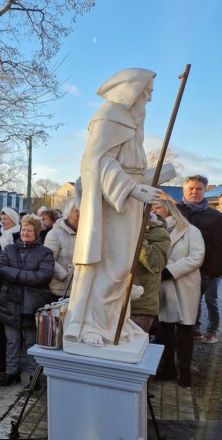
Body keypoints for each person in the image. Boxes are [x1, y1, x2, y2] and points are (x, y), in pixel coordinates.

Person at [63, 68, 163, 350]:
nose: (149, 98)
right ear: (133, 89)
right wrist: (132, 188)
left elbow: (133, 166)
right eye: (147, 91)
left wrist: (153, 177)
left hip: (129, 201)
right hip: (112, 203)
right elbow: (97, 162)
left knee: (126, 265)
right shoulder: (109, 116)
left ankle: (115, 319)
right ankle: (92, 324)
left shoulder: (133, 121)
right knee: (113, 263)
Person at [0, 215, 54, 389]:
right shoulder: (10, 249)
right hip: (10, 301)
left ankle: (33, 376)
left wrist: (16, 275)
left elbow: (43, 276)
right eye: (23, 229)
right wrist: (25, 276)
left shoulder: (45, 252)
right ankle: (11, 372)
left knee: (31, 342)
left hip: (33, 303)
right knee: (12, 340)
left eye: (29, 230)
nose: (25, 233)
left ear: (36, 232)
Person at [152, 199, 205, 387]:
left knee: (185, 332)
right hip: (164, 287)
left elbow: (196, 257)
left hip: (184, 285)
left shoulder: (191, 231)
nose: (153, 210)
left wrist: (170, 271)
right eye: (151, 207)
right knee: (165, 331)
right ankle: (167, 369)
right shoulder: (152, 232)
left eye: (157, 206)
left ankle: (184, 372)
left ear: (169, 208)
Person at [176, 174, 222, 344]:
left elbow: (219, 247)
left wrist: (212, 272)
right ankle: (188, 331)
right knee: (179, 303)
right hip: (177, 267)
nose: (194, 191)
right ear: (184, 189)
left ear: (204, 191)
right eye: (191, 188)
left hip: (205, 269)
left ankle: (204, 332)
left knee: (201, 301)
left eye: (199, 188)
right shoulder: (175, 211)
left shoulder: (216, 216)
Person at [0, 206, 21, 372]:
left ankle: (13, 362)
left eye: (6, 218)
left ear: (14, 219)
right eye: (2, 218)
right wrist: (5, 255)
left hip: (14, 288)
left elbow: (20, 258)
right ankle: (1, 358)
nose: (3, 221)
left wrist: (0, 256)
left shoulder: (20, 235)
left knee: (14, 328)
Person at [129, 213, 170, 333]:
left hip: (138, 307)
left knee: (132, 347)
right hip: (110, 304)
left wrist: (137, 238)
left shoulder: (157, 231)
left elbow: (157, 264)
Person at [43, 199, 79, 299]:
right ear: (69, 213)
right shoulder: (55, 233)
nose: (81, 212)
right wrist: (64, 275)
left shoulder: (86, 233)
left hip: (81, 290)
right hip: (60, 291)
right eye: (77, 210)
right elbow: (48, 259)